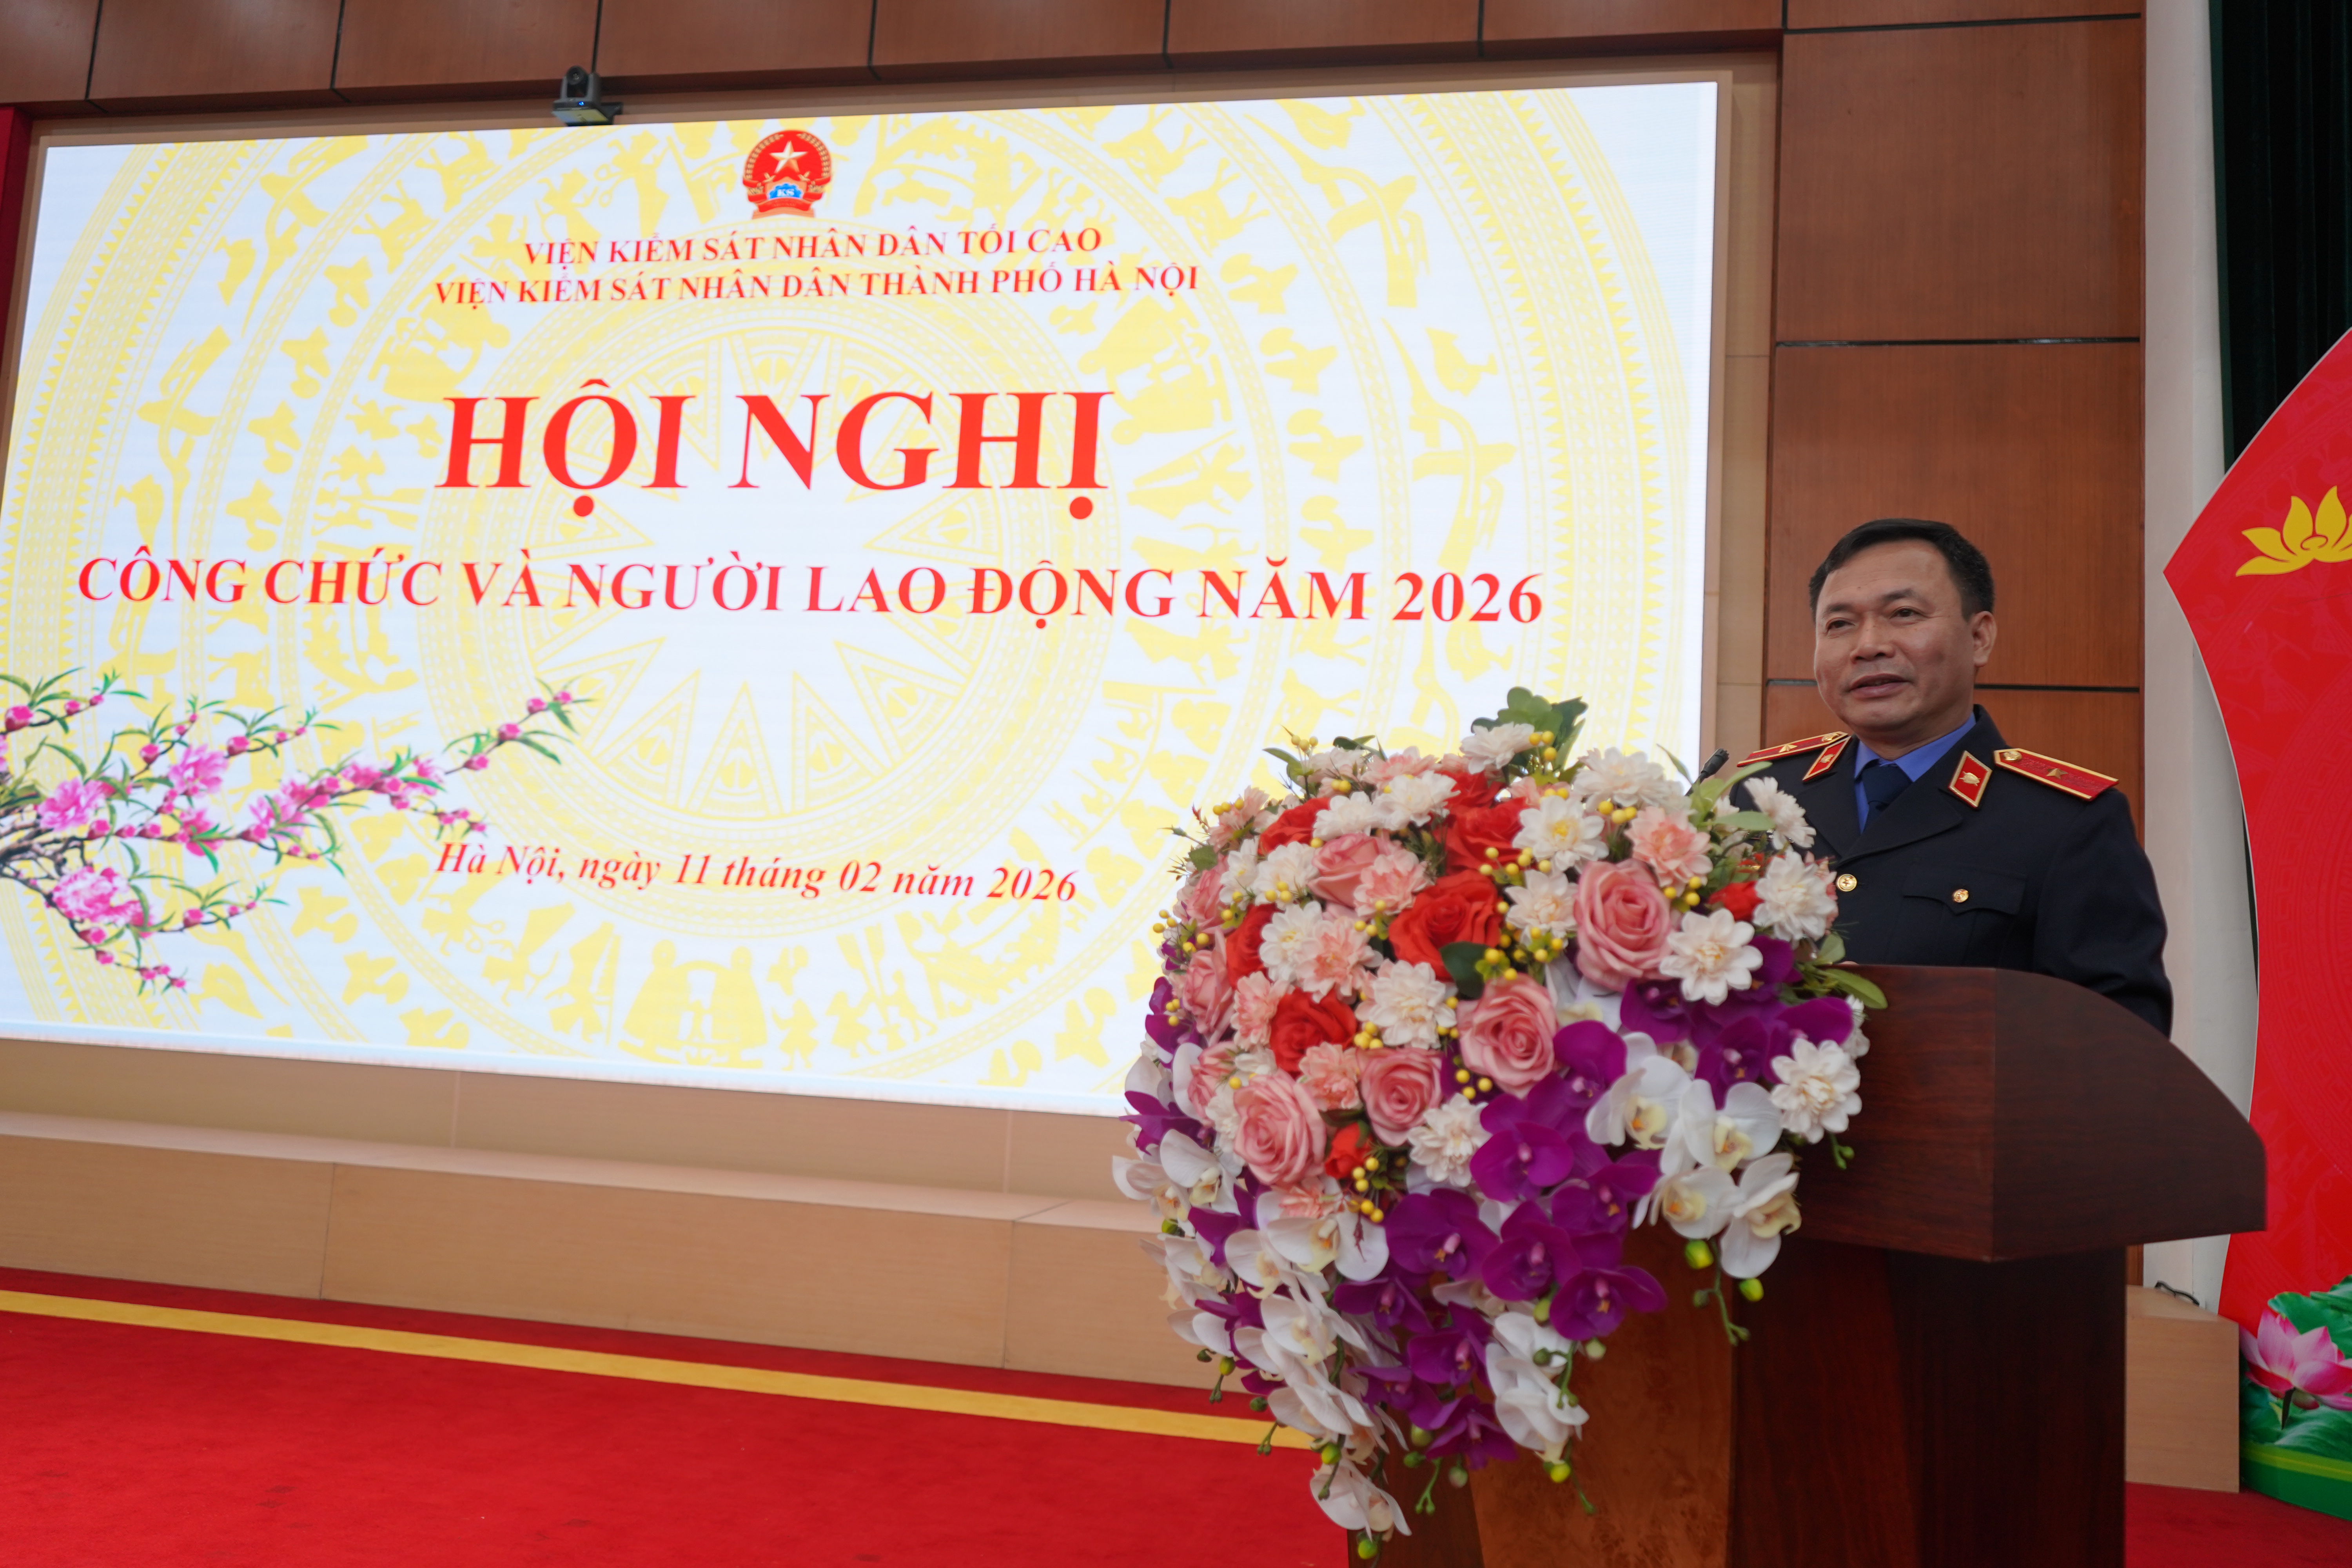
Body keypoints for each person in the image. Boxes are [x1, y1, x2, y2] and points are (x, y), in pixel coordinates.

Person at [1737, 518, 2172, 1034]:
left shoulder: (2066, 823)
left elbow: (2122, 1040)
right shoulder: (1758, 795)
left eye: (1904, 614)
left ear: (1980, 637)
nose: (1868, 645)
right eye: (1839, 624)